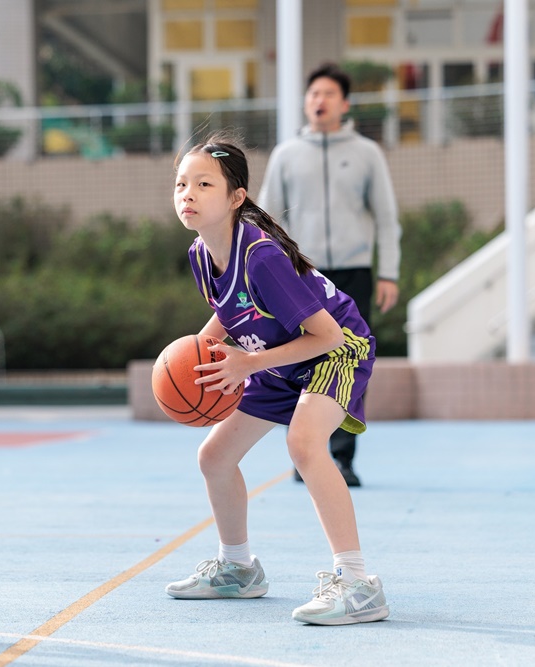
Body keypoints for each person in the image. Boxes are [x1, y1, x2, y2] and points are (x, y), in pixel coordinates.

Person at [164, 133, 389, 626]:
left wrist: (245, 364)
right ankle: (238, 568)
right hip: (276, 355)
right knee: (214, 457)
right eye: (181, 184)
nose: (188, 194)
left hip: (336, 349)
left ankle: (357, 584)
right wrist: (197, 357)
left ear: (236, 197)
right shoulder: (201, 254)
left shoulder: (262, 256)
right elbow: (231, 309)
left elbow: (327, 336)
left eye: (204, 184)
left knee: (304, 445)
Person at [258, 62, 401, 487]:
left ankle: (342, 457)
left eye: (328, 94)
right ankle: (304, 452)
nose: (319, 100)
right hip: (300, 274)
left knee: (349, 361)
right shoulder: (286, 155)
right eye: (313, 94)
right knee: (298, 359)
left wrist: (388, 273)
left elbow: (387, 218)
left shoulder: (367, 153)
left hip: (353, 273)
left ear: (345, 104)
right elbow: (265, 220)